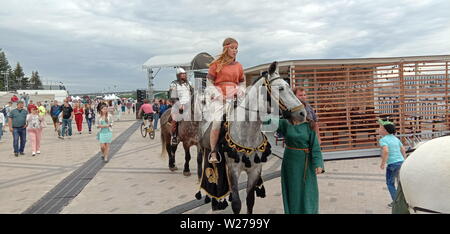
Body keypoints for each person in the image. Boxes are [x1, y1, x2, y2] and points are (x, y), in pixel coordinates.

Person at [264, 114, 324, 214]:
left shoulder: (309, 125)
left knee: (307, 189)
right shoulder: (285, 123)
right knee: (292, 189)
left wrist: (318, 164)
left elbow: (315, 147)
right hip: (290, 162)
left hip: (305, 162)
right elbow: (267, 121)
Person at [206, 37, 246, 163]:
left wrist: (240, 91)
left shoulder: (239, 66)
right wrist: (219, 95)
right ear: (225, 49)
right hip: (220, 98)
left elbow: (242, 83)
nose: (235, 51)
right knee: (217, 122)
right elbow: (209, 82)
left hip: (235, 97)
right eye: (233, 48)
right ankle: (213, 152)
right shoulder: (215, 65)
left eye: (236, 49)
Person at [378, 119, 407, 207]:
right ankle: (404, 201)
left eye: (380, 128)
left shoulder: (383, 140)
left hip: (392, 165)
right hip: (401, 162)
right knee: (400, 183)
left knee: (390, 183)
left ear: (385, 131)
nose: (378, 129)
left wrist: (383, 163)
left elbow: (386, 151)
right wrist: (404, 160)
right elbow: (403, 149)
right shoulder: (395, 138)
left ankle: (396, 203)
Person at [169, 67, 193, 144]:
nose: (184, 75)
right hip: (178, 105)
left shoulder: (189, 83)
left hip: (189, 104)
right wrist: (179, 105)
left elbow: (193, 93)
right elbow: (172, 96)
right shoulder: (174, 84)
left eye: (185, 74)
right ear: (178, 75)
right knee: (175, 119)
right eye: (182, 74)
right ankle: (174, 136)